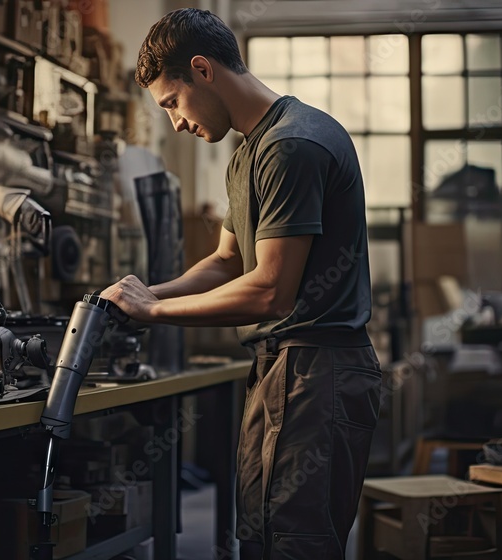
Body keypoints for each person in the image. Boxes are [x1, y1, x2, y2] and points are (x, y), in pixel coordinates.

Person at [100, 8, 381, 560]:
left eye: (171, 104)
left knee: (294, 543)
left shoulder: (292, 146)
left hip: (316, 373)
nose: (175, 123)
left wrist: (154, 315)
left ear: (202, 70)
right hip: (281, 372)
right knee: (259, 533)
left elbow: (269, 289)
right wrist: (150, 292)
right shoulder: (247, 155)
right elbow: (228, 262)